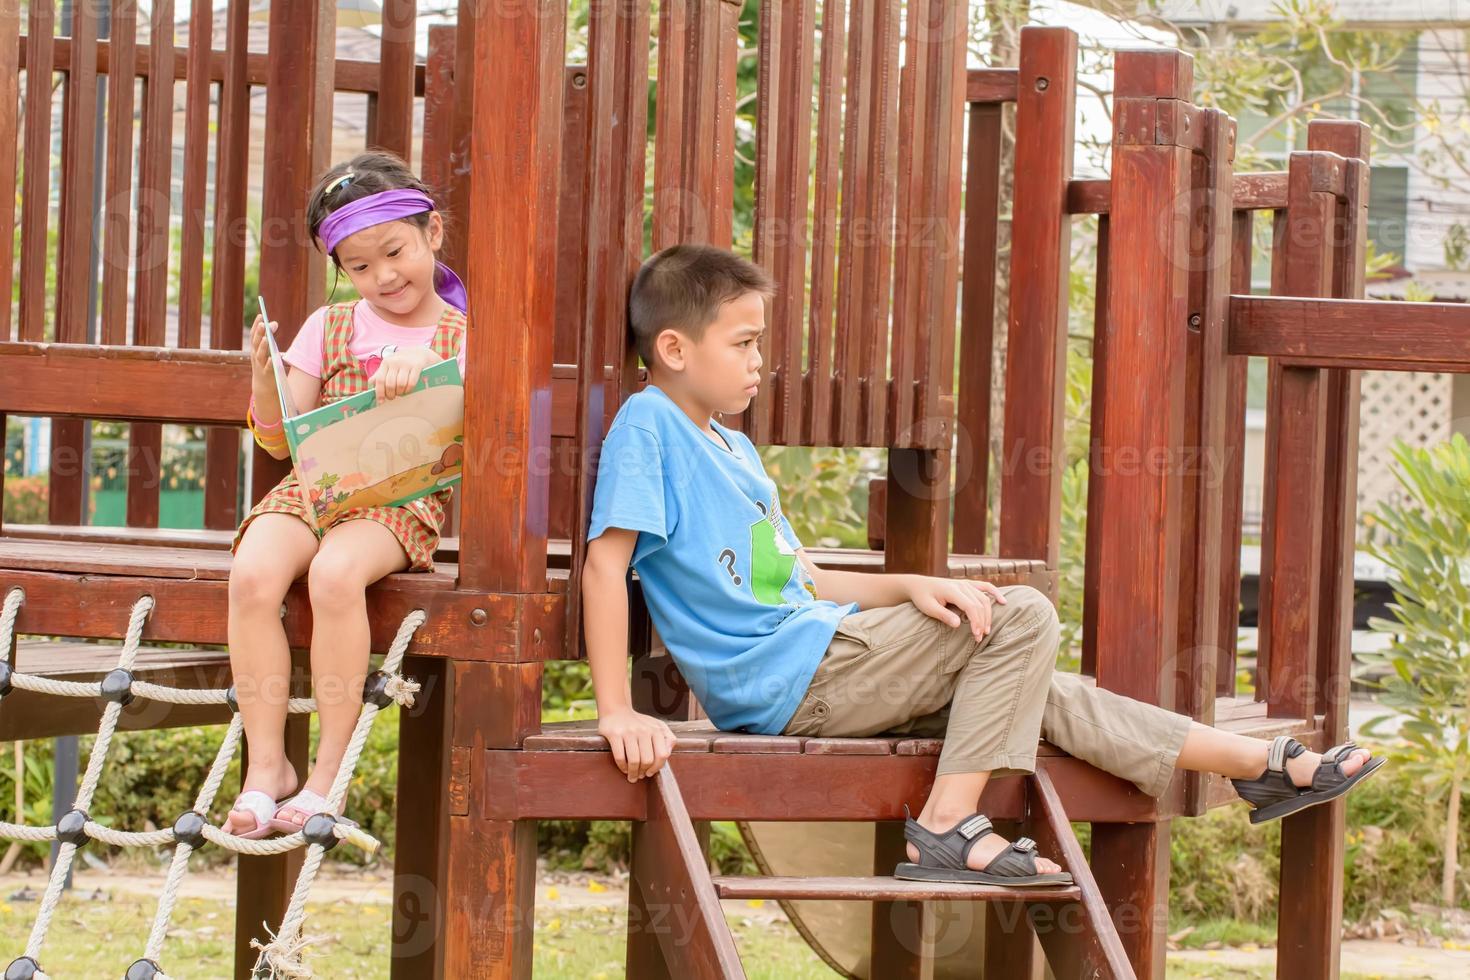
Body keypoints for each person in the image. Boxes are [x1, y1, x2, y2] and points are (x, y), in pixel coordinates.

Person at [580, 243, 1383, 886]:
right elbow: (606, 566)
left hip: (822, 657)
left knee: (1036, 687)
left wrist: (914, 585)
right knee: (1021, 614)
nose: (760, 361)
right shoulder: (649, 427)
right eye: (745, 343)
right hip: (787, 681)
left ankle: (1259, 768)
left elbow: (803, 580)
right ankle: (944, 826)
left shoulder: (735, 449)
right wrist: (617, 710)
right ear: (675, 348)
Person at [223, 150, 469, 838]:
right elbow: (279, 444)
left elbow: (479, 420)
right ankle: (268, 765)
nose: (384, 276)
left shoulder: (463, 334)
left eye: (395, 252)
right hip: (315, 490)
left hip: (396, 502)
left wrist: (432, 365)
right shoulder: (327, 328)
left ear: (433, 234)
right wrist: (266, 380)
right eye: (360, 267)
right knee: (253, 573)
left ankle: (327, 773)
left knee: (334, 575)